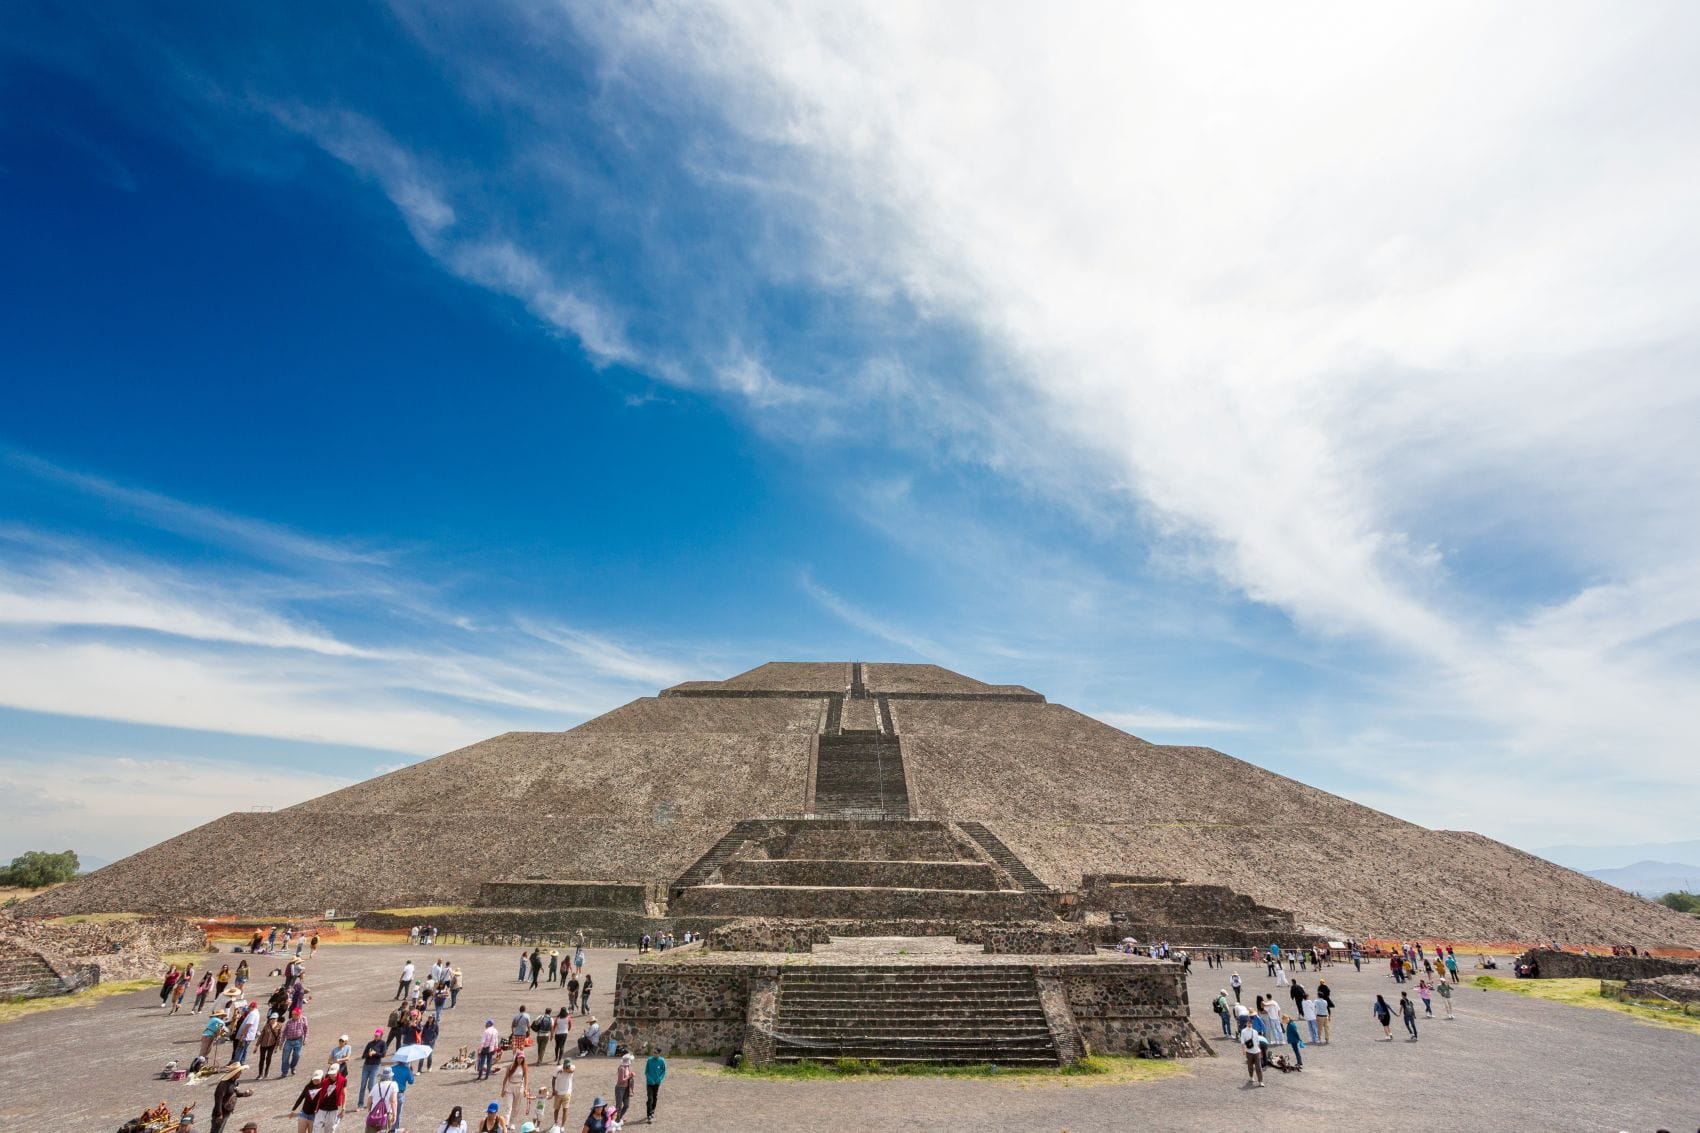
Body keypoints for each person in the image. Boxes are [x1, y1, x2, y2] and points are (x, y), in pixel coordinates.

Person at [211, 1064, 253, 1133]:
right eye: (239, 1072)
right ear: (235, 1073)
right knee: (215, 1131)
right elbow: (218, 1099)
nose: (241, 1073)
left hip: (227, 1111)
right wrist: (219, 1114)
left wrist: (245, 1094)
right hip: (221, 1112)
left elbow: (236, 1094)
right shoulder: (223, 1084)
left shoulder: (234, 1082)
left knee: (220, 1130)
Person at [311, 1066, 345, 1133]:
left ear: (337, 1072)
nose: (331, 1075)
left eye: (333, 1073)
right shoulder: (325, 1081)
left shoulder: (343, 1080)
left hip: (333, 1109)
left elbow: (344, 1094)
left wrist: (343, 1108)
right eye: (330, 1073)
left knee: (329, 1130)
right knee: (316, 1127)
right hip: (322, 1108)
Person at [359, 1030, 387, 1107]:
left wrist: (375, 1053)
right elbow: (363, 1056)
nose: (376, 1036)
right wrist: (368, 1054)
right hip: (366, 1066)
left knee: (371, 1086)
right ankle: (360, 1104)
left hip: (375, 1066)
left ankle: (372, 1103)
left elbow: (383, 1054)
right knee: (362, 1085)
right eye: (375, 1035)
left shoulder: (383, 1043)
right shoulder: (370, 1043)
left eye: (377, 1035)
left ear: (381, 1035)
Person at [499, 1056, 531, 1122]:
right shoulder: (510, 1066)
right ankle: (506, 1123)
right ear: (516, 1058)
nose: (520, 1059)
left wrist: (526, 1089)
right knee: (508, 1106)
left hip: (519, 1087)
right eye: (519, 1058)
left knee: (516, 1106)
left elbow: (526, 1079)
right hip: (510, 1086)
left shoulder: (524, 1067)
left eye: (522, 1058)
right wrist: (503, 1089)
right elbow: (505, 1078)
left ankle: (512, 1122)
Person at [281, 1007, 309, 1077]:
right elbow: (284, 1032)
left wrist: (305, 1039)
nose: (292, 1015)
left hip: (298, 1040)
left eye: (294, 1014)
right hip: (289, 1041)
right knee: (285, 1057)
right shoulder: (288, 1022)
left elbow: (306, 1030)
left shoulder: (303, 1019)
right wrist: (281, 1043)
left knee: (297, 1055)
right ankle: (284, 1072)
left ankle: (293, 1066)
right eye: (292, 1014)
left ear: (298, 1015)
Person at [1237, 1022, 1265, 1087]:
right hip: (1249, 1051)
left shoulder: (1255, 1031)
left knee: (1258, 1066)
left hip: (1256, 1051)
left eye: (1251, 1023)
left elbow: (1258, 1042)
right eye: (1248, 1023)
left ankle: (1260, 1081)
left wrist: (1260, 1051)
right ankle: (1251, 1076)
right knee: (1250, 1065)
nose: (1249, 1024)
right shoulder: (1243, 1031)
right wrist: (1243, 1050)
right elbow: (1242, 1041)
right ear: (1246, 1023)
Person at [257, 1013, 283, 1079]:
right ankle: (260, 1074)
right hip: (263, 1044)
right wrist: (256, 1045)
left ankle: (266, 1072)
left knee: (268, 1058)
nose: (272, 1020)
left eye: (274, 1019)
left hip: (272, 1045)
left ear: (276, 1019)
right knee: (261, 1059)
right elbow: (261, 1035)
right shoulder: (267, 1025)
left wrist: (277, 1047)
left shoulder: (279, 1026)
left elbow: (279, 1037)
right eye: (271, 1019)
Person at [643, 1046, 666, 1123]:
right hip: (650, 1083)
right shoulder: (649, 1060)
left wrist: (660, 1079)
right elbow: (646, 1072)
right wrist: (650, 1079)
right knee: (650, 1099)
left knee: (654, 1097)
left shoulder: (662, 1061)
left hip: (657, 1083)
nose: (654, 1054)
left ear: (659, 1054)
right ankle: (649, 1115)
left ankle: (652, 1110)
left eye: (655, 1053)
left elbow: (663, 1071)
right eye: (653, 1052)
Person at [550, 1060, 575, 1128]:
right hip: (558, 1092)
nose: (567, 1067)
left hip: (567, 1092)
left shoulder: (572, 1067)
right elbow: (553, 1079)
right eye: (566, 1066)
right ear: (563, 1064)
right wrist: (553, 1090)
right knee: (556, 1109)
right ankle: (555, 1123)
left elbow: (571, 1071)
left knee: (565, 1109)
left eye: (568, 1066)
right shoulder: (558, 1068)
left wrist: (564, 1070)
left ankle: (562, 1126)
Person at [614, 1053, 636, 1120]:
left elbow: (628, 1078)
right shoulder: (621, 1068)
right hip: (620, 1089)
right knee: (619, 1106)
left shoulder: (627, 1067)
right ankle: (617, 1120)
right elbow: (621, 1080)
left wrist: (631, 1074)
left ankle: (619, 1117)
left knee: (626, 1105)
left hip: (626, 1088)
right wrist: (630, 1076)